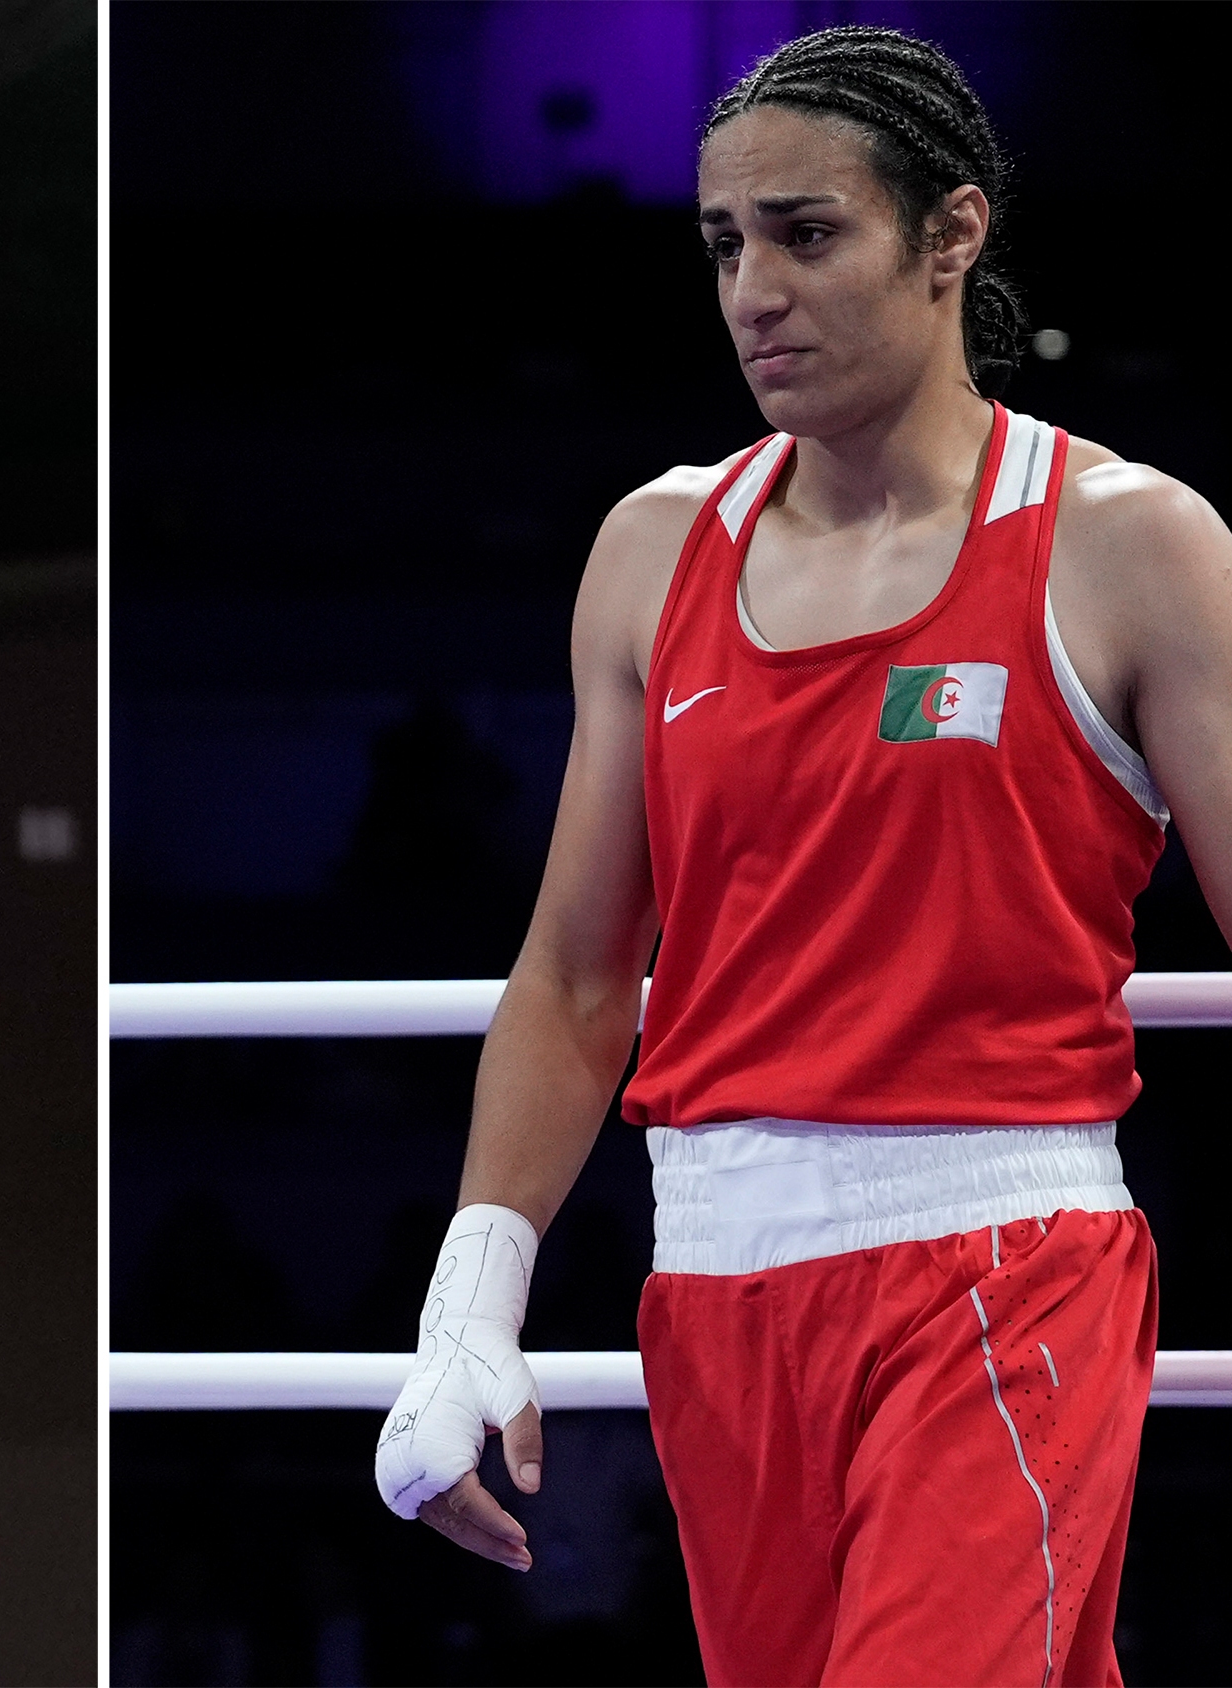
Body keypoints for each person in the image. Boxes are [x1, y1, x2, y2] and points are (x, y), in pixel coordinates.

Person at [373, 25, 1232, 1686]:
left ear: (952, 234)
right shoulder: (653, 552)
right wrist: (470, 1300)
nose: (753, 291)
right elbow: (577, 974)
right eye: (724, 244)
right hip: (717, 1294)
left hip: (1002, 1265)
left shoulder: (1128, 545)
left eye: (808, 234)